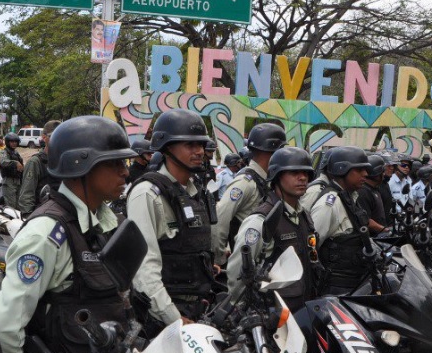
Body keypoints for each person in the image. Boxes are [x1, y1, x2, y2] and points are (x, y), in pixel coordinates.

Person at [0, 116, 137, 353]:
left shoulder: (106, 221)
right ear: (81, 166)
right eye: (114, 164)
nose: (125, 173)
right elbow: (6, 323)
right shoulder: (46, 233)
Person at [126, 109, 218, 334]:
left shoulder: (195, 190)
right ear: (166, 148)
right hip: (163, 320)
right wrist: (174, 319)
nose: (199, 152)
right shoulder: (148, 194)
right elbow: (144, 270)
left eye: (201, 145)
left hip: (196, 309)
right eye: (189, 145)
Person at [226, 147, 318, 311]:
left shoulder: (304, 216)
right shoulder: (260, 220)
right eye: (294, 172)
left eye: (306, 173)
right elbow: (236, 273)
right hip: (272, 315)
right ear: (276, 176)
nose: (302, 177)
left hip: (302, 310)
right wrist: (243, 311)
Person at [211, 123, 287, 265]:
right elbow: (220, 219)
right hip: (246, 263)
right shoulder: (246, 183)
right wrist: (218, 258)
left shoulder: (265, 180)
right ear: (273, 151)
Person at [311, 146, 372, 295]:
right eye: (359, 169)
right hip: (335, 289)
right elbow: (310, 247)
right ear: (341, 170)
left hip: (352, 284)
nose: (365, 174)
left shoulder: (349, 197)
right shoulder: (329, 204)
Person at [17, 119, 61, 215]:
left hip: (61, 216)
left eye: (62, 136)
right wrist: (28, 218)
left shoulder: (64, 161)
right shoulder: (36, 162)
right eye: (53, 136)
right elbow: (26, 196)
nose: (58, 139)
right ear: (44, 137)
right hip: (41, 216)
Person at [356, 154, 387, 233]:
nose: (384, 174)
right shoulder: (363, 192)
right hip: (373, 239)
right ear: (376, 172)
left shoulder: (375, 188)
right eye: (382, 171)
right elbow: (366, 220)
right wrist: (385, 230)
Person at [0, 132, 24, 208]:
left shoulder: (16, 152)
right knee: (11, 206)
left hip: (18, 181)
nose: (14, 143)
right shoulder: (4, 152)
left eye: (15, 142)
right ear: (7, 142)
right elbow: (3, 162)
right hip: (9, 182)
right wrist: (15, 163)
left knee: (19, 205)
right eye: (12, 142)